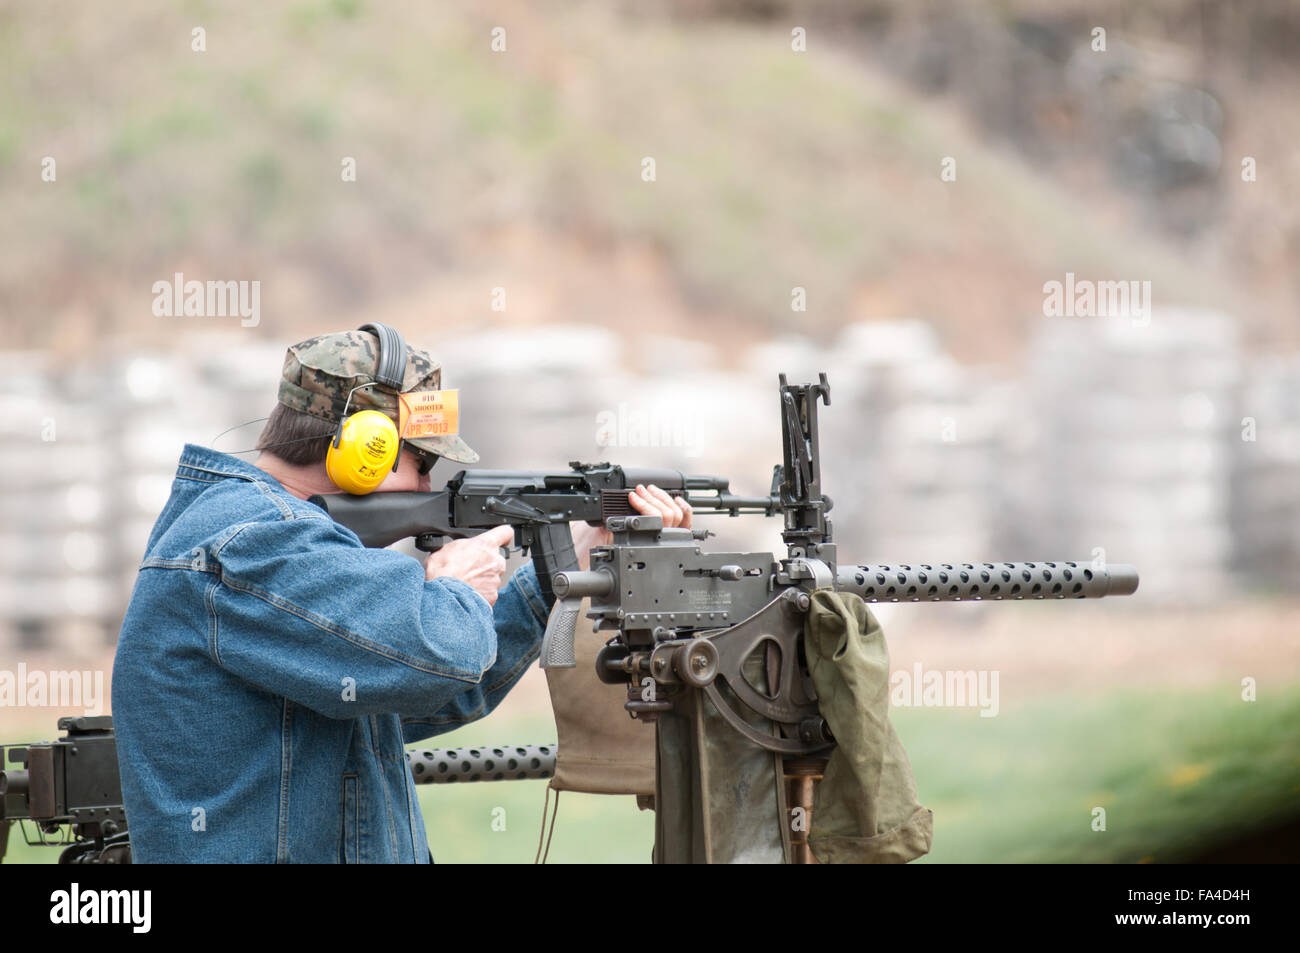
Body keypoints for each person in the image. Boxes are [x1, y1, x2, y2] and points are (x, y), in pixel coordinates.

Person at [111, 324, 690, 862]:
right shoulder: (255, 545)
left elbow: (416, 699)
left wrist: (561, 573)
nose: (426, 486)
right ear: (367, 449)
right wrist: (454, 587)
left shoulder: (267, 536)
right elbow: (437, 662)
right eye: (422, 462)